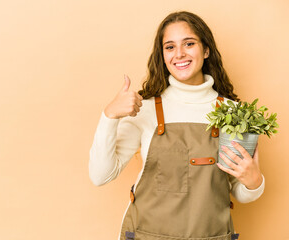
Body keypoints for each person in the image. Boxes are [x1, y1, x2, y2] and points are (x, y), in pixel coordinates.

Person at [89, 11, 264, 240]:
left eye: (189, 43)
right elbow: (100, 175)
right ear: (162, 55)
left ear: (206, 49)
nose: (179, 54)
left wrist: (254, 182)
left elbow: (239, 193)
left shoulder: (234, 114)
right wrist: (109, 115)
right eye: (169, 47)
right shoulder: (145, 109)